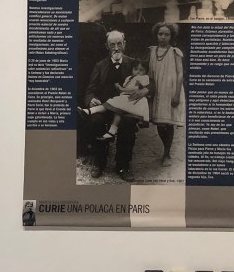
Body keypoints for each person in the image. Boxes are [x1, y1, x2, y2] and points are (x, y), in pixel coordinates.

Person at [81, 30, 149, 181]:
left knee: (128, 123)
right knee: (96, 121)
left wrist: (146, 90)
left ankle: (123, 165)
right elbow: (89, 90)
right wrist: (91, 99)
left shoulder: (133, 63)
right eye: (112, 45)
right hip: (106, 106)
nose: (116, 48)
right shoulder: (100, 65)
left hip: (126, 108)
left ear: (125, 44)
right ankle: (99, 162)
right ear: (107, 46)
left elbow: (151, 80)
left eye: (119, 44)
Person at [78, 60, 150, 141]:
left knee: (113, 105)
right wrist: (119, 88)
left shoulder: (143, 78)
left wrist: (122, 88)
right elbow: (123, 91)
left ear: (145, 71)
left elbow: (134, 89)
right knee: (116, 110)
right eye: (136, 69)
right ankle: (110, 130)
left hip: (133, 100)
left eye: (141, 70)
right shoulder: (129, 78)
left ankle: (89, 111)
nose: (138, 72)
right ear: (132, 69)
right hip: (125, 99)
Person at [148, 22, 185, 167]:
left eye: (166, 34)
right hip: (157, 90)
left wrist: (176, 95)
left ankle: (167, 153)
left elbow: (180, 73)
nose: (163, 37)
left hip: (170, 90)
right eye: (160, 34)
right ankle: (165, 150)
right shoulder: (152, 51)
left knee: (167, 123)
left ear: (171, 36)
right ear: (156, 35)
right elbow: (150, 73)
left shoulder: (175, 52)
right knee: (159, 122)